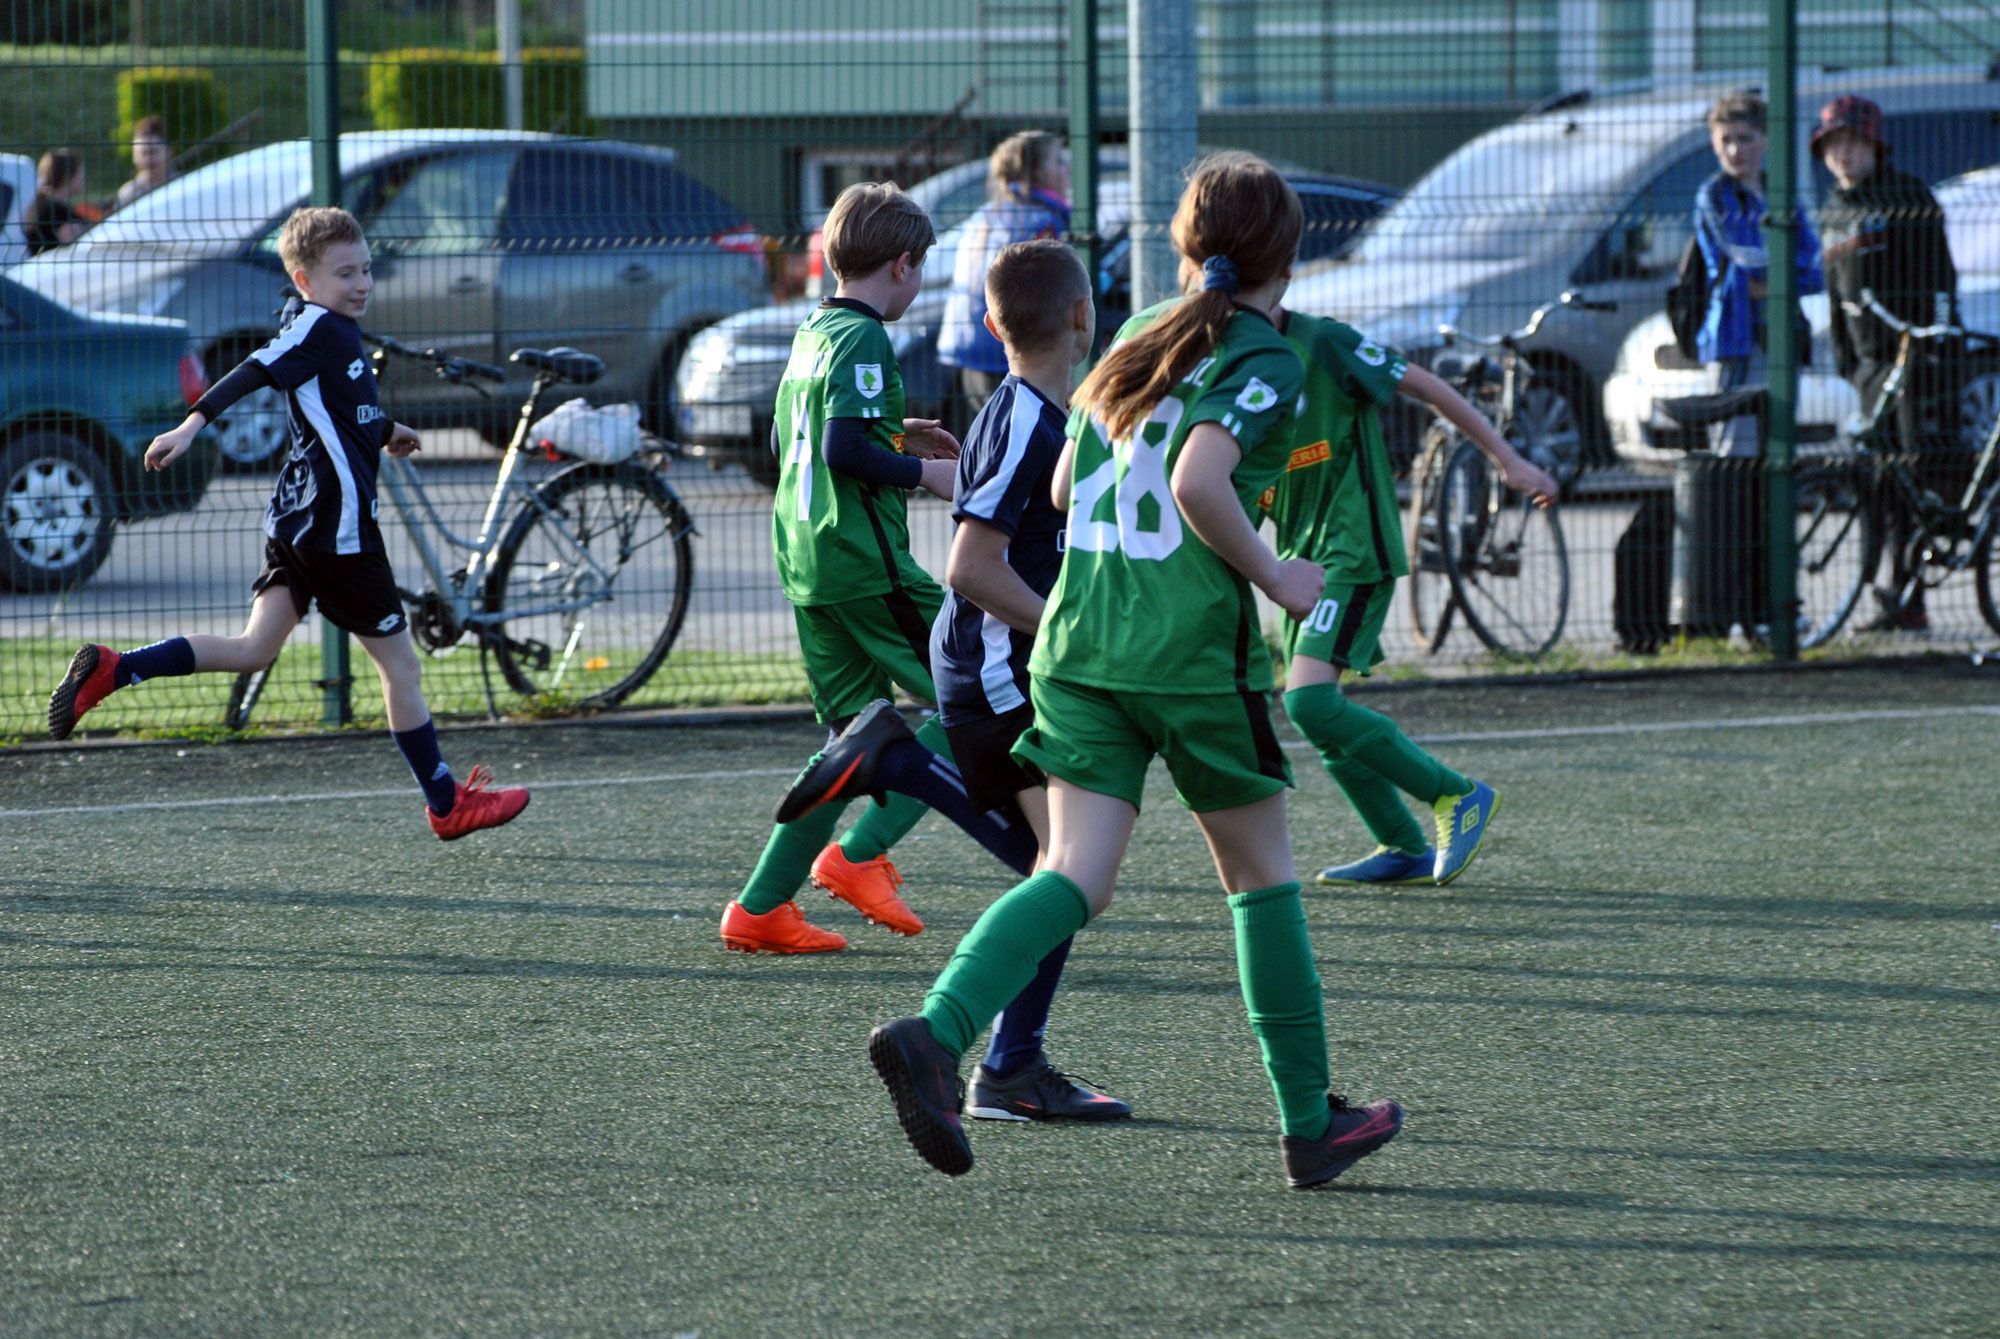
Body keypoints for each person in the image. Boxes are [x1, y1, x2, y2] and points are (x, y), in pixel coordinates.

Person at [867, 152, 1403, 1189]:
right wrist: (1274, 578)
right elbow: (1201, 478)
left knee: (1074, 873)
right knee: (1260, 879)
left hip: (1076, 644)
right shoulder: (1264, 351)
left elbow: (1067, 486)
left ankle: (938, 1034)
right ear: (1287, 256)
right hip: (1185, 655)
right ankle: (1307, 1122)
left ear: (1182, 245)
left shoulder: (1133, 335)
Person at [776, 238, 1130, 1122]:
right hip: (999, 673)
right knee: (1068, 876)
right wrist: (1066, 631)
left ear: (988, 326)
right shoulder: (1025, 423)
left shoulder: (1032, 413)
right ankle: (901, 764)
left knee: (1052, 880)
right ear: (1084, 318)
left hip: (993, 669)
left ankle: (1013, 1066)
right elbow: (972, 567)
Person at [47, 206, 530, 843]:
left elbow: (338, 407)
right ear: (304, 280)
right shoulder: (318, 329)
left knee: (254, 651)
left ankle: (117, 669)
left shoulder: (330, 329)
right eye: (343, 274)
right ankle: (446, 803)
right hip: (338, 531)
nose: (360, 284)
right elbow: (257, 367)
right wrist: (191, 425)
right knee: (401, 669)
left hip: (298, 519)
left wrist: (388, 430)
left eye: (365, 270)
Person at [718, 182, 1040, 955]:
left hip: (807, 560)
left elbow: (800, 442)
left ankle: (760, 907)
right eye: (920, 267)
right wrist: (921, 474)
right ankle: (858, 856)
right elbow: (842, 450)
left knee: (847, 743)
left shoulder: (814, 330)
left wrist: (897, 429)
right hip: (864, 562)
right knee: (970, 701)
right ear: (902, 265)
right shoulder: (864, 338)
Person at [1270, 309, 1558, 887]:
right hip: (1297, 559)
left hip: (1351, 547)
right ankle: (1402, 846)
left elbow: (1425, 385)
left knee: (1309, 703)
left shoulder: (1323, 342)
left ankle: (1457, 795)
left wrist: (1508, 459)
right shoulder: (1228, 358)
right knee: (1319, 714)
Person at [1814, 94, 1962, 633]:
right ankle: (1888, 590)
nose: (1843, 155)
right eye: (1833, 144)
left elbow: (1943, 279)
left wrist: (1935, 343)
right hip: (1870, 370)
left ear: (1874, 144)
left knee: (1915, 479)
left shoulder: (1907, 196)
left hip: (1915, 362)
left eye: (1852, 143)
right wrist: (1848, 364)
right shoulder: (1832, 210)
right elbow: (1835, 299)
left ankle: (1909, 597)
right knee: (1880, 482)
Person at [1692, 92, 1824, 459]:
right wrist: (1784, 272)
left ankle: (1771, 519)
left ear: (1764, 139)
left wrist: (1772, 285)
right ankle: (1732, 519)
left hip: (1783, 336)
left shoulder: (1780, 194)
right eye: (1726, 141)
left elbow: (1814, 267)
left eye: (1745, 138)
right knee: (1735, 451)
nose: (1736, 150)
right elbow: (1741, 257)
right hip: (1736, 339)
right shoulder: (1714, 196)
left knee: (1779, 451)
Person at [937, 131, 1072, 422]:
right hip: (1007, 354)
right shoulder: (1044, 222)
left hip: (968, 350)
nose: (1067, 169)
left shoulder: (987, 214)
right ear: (1035, 171)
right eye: (1058, 162)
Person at [23, 148, 89, 255]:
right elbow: (78, 248)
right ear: (67, 176)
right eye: (80, 173)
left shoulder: (43, 204)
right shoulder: (57, 211)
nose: (84, 178)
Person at [114, 114, 176, 211]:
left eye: (153, 152)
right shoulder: (128, 194)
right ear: (134, 156)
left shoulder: (182, 186)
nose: (149, 159)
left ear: (169, 152)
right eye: (144, 153)